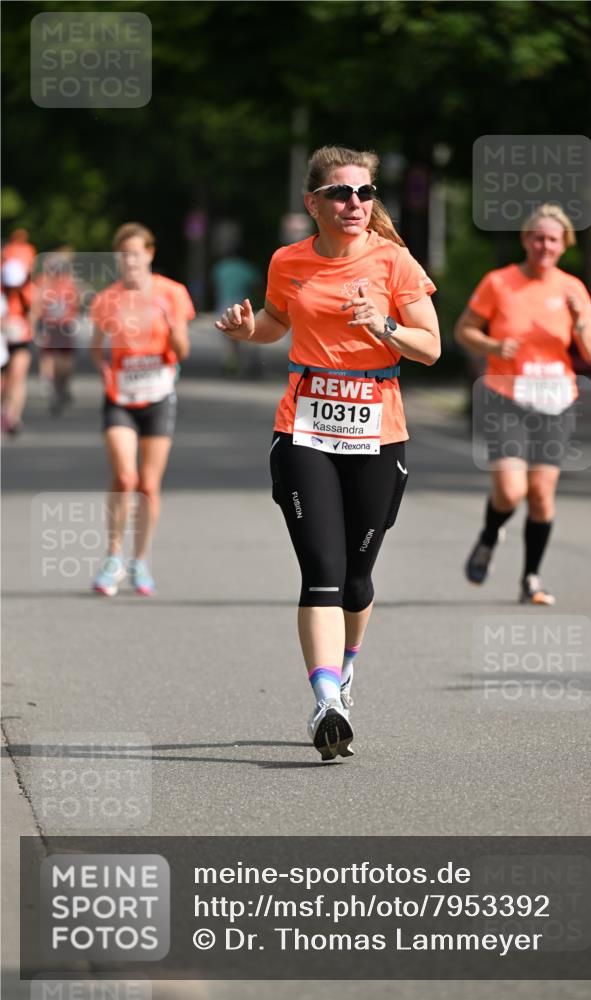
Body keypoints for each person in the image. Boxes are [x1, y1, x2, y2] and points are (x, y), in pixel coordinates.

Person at [216, 146, 440, 760]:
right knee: (321, 571)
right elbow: (274, 320)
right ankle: (326, 701)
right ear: (313, 202)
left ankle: (344, 671)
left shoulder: (394, 262)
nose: (354, 204)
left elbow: (430, 348)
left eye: (365, 193)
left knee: (356, 579)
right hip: (305, 428)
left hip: (377, 428)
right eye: (341, 193)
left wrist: (383, 327)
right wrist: (246, 331)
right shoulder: (289, 261)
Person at [454, 203, 591, 605]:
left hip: (557, 401)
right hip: (507, 398)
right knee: (510, 489)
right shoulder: (499, 283)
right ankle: (490, 536)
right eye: (537, 237)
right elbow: (464, 330)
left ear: (564, 245)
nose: (544, 245)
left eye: (553, 239)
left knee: (540, 494)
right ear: (526, 240)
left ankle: (531, 579)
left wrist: (583, 320)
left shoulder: (572, 288)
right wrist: (492, 345)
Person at [90, 223, 193, 596]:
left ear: (149, 254)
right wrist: (103, 367)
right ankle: (113, 555)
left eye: (135, 254)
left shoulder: (172, 293)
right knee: (125, 478)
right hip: (120, 397)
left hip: (158, 396)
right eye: (123, 256)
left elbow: (182, 351)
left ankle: (140, 558)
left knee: (148, 485)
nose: (129, 262)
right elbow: (96, 344)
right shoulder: (107, 299)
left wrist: (170, 327)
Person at [33, 248, 80, 415]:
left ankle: (63, 385)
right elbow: (35, 305)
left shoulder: (69, 283)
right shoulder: (42, 283)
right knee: (48, 356)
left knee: (65, 362)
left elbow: (77, 303)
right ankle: (48, 382)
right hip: (48, 325)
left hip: (65, 325)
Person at [211, 250, 261, 374]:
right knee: (246, 334)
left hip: (224, 303)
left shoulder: (221, 267)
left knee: (228, 334)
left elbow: (214, 284)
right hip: (243, 303)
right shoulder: (246, 267)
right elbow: (257, 284)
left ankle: (230, 362)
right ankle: (246, 363)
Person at [1, 256, 33, 435]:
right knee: (5, 381)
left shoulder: (28, 292)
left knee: (18, 376)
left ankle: (13, 417)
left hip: (21, 340)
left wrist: (23, 327)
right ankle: (5, 411)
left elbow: (34, 315)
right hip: (3, 342)